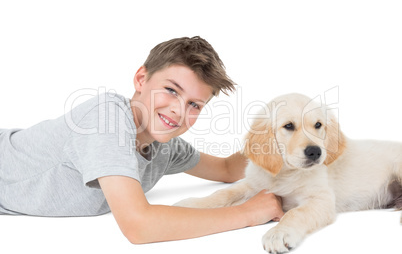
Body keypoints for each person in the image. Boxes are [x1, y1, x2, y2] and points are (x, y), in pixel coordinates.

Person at [0, 36, 283, 243]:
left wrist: (281, 137)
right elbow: (139, 226)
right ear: (140, 79)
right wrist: (247, 213)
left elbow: (226, 169)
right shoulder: (106, 119)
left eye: (195, 104)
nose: (179, 110)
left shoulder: (165, 147)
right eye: (171, 90)